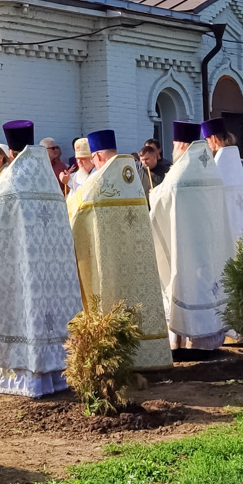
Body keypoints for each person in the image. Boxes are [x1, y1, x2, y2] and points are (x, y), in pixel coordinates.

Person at [0, 120, 83, 397]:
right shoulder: (49, 182)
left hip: (20, 272)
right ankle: (57, 374)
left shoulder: (6, 188)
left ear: (11, 152)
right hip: (51, 274)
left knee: (24, 312)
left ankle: (22, 376)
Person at [70, 136, 172, 369]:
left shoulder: (98, 183)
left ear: (97, 156)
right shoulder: (132, 174)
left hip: (109, 260)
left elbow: (76, 211)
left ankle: (111, 353)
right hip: (137, 262)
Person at [150, 120, 236, 350]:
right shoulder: (211, 169)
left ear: (179, 145)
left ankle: (186, 339)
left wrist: (153, 195)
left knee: (186, 284)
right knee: (210, 285)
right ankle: (208, 339)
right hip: (211, 245)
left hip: (186, 245)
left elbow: (161, 200)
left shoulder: (179, 174)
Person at [205, 120, 243, 252]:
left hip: (227, 221)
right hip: (241, 218)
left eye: (207, 140)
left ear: (214, 138)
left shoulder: (219, 162)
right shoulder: (234, 156)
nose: (208, 145)